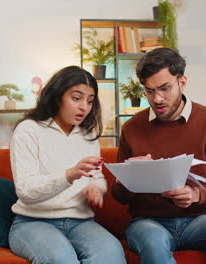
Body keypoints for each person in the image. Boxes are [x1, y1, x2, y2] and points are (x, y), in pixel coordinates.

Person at [111, 48, 206, 264]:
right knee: (153, 242)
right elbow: (119, 196)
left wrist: (196, 195)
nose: (157, 99)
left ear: (182, 82)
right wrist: (124, 178)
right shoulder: (131, 128)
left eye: (165, 89)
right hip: (147, 222)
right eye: (149, 91)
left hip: (197, 221)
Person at [8, 66, 126, 264]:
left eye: (90, 101)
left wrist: (97, 188)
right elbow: (25, 191)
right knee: (61, 259)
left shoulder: (88, 136)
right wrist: (69, 175)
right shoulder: (28, 130)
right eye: (76, 98)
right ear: (57, 96)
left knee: (112, 254)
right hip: (33, 222)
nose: (84, 107)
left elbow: (96, 176)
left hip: (80, 222)